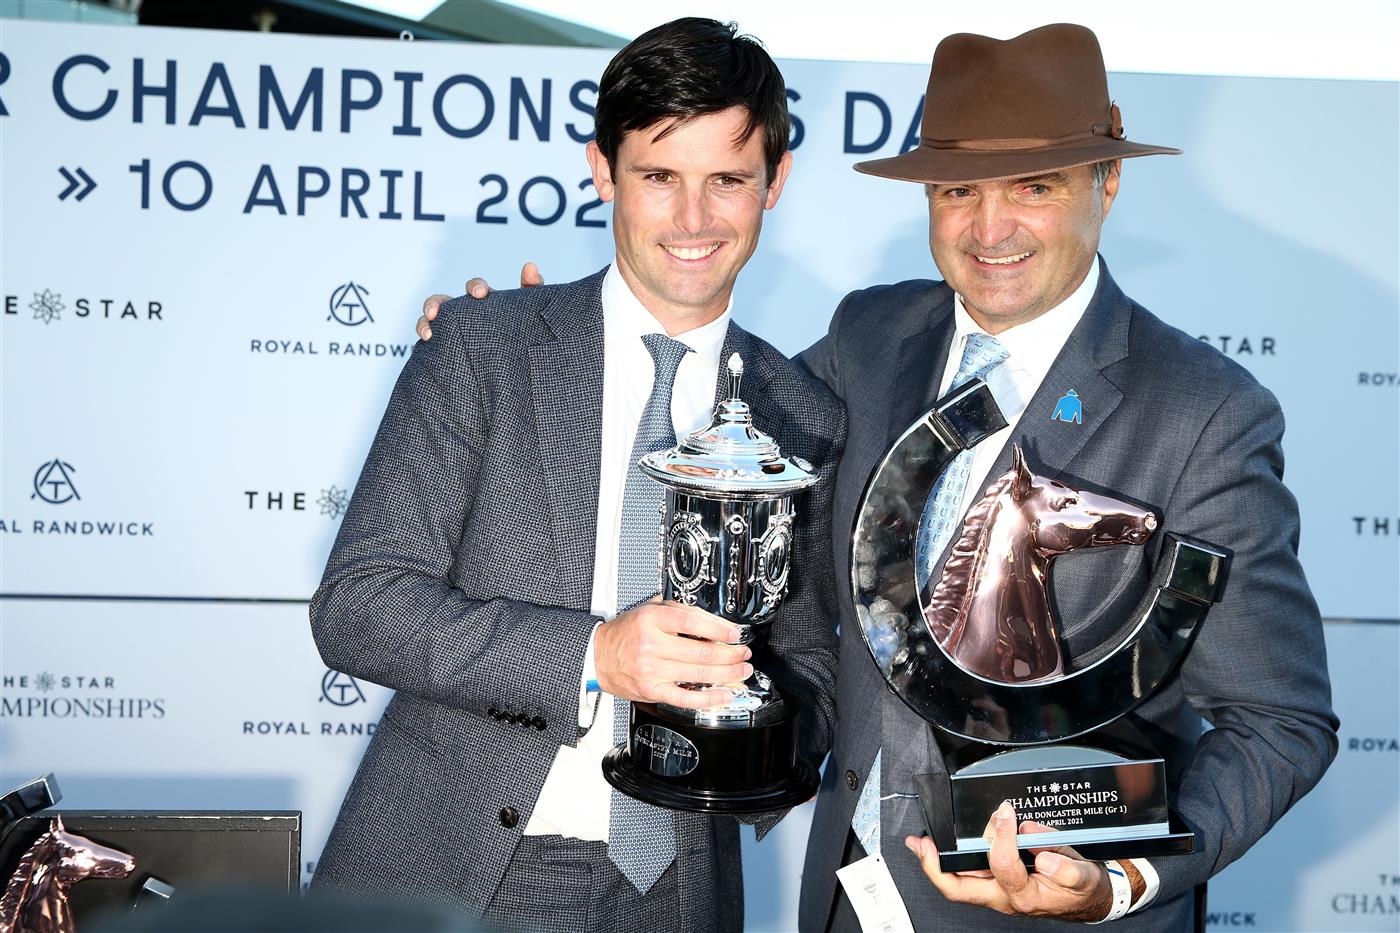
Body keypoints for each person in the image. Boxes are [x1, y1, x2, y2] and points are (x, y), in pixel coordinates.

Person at [418, 23, 1337, 931]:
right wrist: (533, 347)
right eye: (958, 190)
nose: (990, 229)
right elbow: (710, 430)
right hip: (845, 900)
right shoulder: (871, 339)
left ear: (1109, 180)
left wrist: (1121, 880)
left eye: (1034, 186)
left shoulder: (1203, 413)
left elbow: (1279, 720)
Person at [310, 18, 843, 933]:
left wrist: (766, 754)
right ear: (603, 170)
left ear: (775, 182)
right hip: (462, 872)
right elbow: (358, 603)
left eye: (727, 179)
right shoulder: (486, 346)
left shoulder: (801, 413)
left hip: (680, 894)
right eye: (658, 177)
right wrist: (597, 657)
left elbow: (810, 663)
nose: (693, 219)